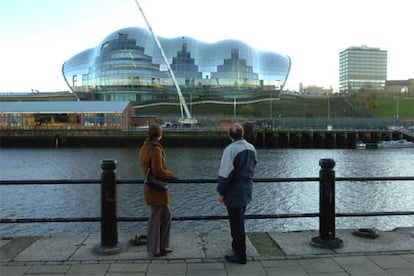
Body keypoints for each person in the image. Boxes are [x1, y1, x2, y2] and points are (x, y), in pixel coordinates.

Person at [216, 123, 257, 264]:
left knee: (236, 223)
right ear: (242, 134)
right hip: (246, 189)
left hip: (234, 191)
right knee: (239, 220)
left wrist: (221, 192)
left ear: (230, 135)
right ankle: (238, 250)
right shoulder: (251, 148)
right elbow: (254, 165)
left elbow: (225, 173)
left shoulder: (230, 150)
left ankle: (240, 254)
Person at [139, 123, 175, 257]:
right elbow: (158, 170)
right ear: (159, 134)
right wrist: (171, 175)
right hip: (157, 189)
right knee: (155, 219)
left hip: (151, 187)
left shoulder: (144, 147)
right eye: (161, 132)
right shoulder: (156, 149)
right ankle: (154, 249)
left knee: (166, 216)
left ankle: (163, 246)